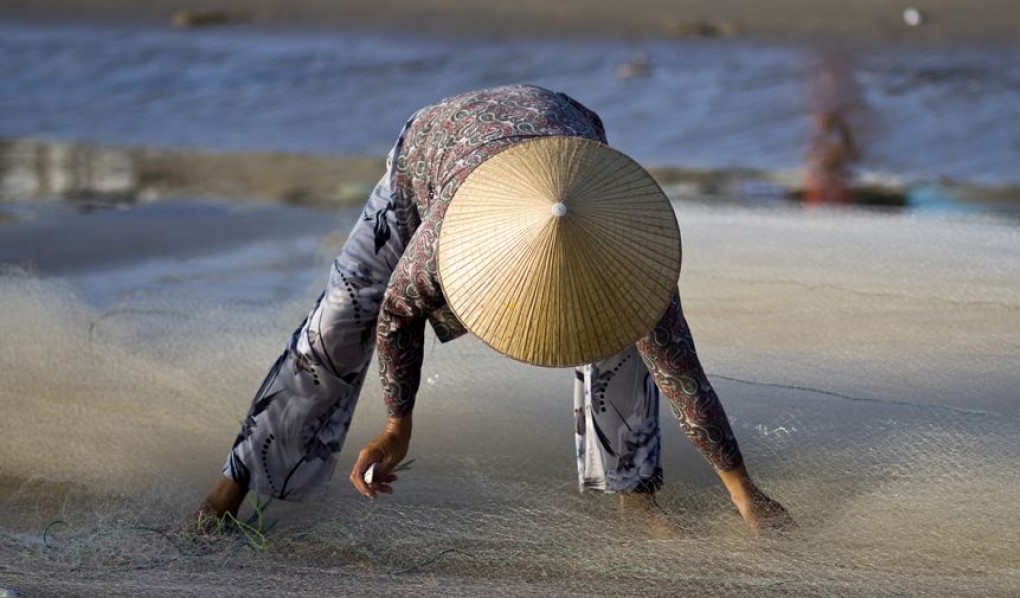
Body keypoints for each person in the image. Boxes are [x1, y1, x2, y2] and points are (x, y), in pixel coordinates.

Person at [199, 84, 789, 531]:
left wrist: (744, 493)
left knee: (633, 335)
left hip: (569, 151)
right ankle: (228, 492)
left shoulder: (630, 245)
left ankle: (637, 500)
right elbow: (395, 316)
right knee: (339, 322)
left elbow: (681, 373)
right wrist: (397, 424)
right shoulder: (444, 240)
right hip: (431, 152)